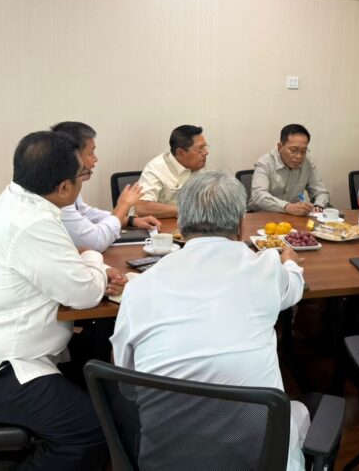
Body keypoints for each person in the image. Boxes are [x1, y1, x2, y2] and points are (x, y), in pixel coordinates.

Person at [0, 131, 127, 471]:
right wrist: (94, 260)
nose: (85, 179)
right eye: (83, 175)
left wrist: (91, 265)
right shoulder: (32, 222)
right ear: (64, 187)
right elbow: (85, 293)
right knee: (92, 431)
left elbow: (63, 266)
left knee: (93, 370)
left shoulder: (17, 198)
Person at [111, 170, 308, 470]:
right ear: (241, 226)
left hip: (165, 456)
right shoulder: (267, 270)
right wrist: (290, 263)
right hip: (257, 456)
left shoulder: (138, 288)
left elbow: (126, 383)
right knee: (299, 413)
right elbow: (293, 289)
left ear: (179, 223)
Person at [51, 121, 161, 251]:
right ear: (73, 156)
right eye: (91, 153)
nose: (95, 159)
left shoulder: (65, 183)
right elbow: (96, 242)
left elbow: (85, 213)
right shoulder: (58, 193)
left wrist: (130, 221)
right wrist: (123, 205)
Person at [249, 123, 330, 215]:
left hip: (292, 218)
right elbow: (259, 195)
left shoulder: (307, 163)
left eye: (303, 151)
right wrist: (287, 206)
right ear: (280, 147)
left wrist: (318, 206)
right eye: (293, 150)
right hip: (262, 216)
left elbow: (321, 192)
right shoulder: (265, 163)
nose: (299, 156)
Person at [135, 124, 209, 218]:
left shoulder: (199, 165)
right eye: (200, 148)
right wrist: (186, 210)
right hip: (155, 228)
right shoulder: (156, 168)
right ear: (180, 152)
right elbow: (142, 207)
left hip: (186, 225)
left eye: (205, 147)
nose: (206, 152)